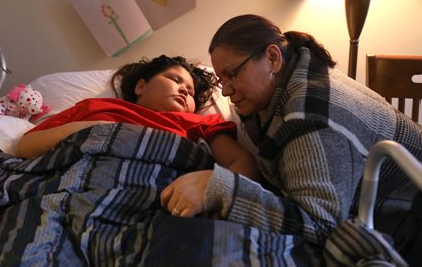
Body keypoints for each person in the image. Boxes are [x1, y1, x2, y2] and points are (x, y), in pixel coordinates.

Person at [160, 14, 422, 250]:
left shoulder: (309, 116)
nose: (226, 91)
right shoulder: (302, 69)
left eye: (233, 75)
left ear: (273, 57)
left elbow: (319, 226)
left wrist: (220, 187)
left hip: (408, 224)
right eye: (221, 80)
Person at [15, 55, 259, 214]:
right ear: (141, 86)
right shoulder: (97, 107)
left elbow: (243, 164)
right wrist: (94, 129)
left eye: (191, 92)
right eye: (175, 80)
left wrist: (211, 185)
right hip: (71, 192)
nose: (184, 91)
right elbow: (25, 147)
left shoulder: (199, 123)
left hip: (158, 203)